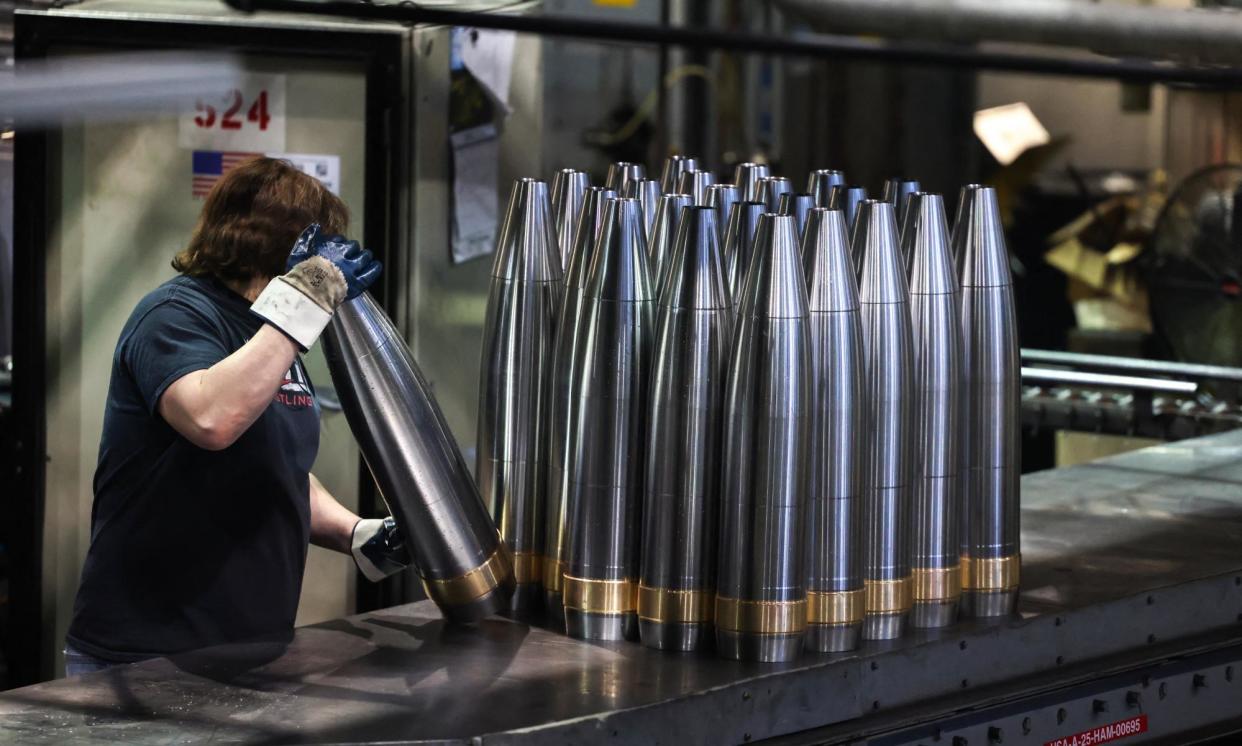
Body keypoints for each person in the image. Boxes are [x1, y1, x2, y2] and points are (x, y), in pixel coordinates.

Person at [64, 157, 409, 677]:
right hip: (149, 657)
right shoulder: (175, 315)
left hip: (253, 649)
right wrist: (307, 296)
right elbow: (212, 420)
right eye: (317, 244)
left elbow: (273, 460)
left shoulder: (266, 331)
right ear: (279, 241)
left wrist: (356, 533)